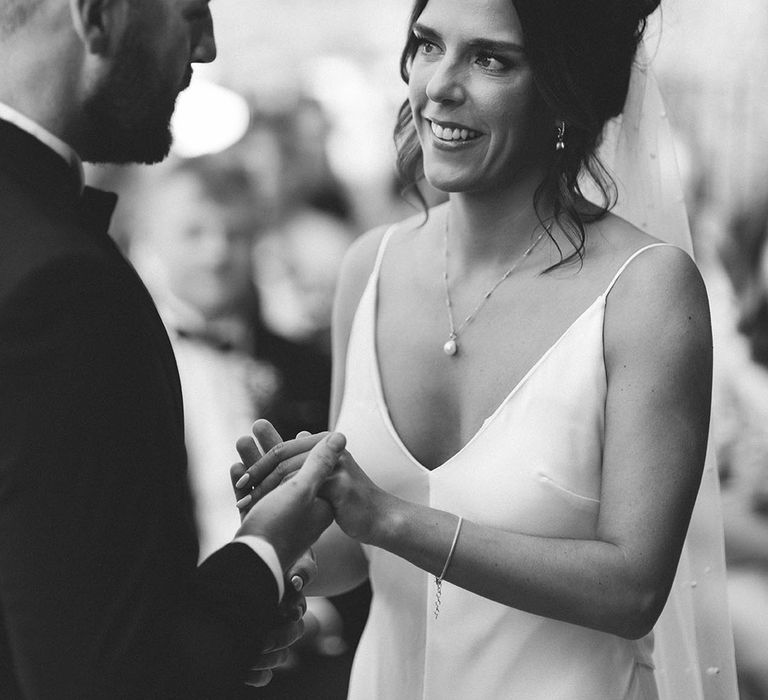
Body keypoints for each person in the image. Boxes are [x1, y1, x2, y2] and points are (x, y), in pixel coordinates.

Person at [234, 0, 737, 698]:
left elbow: (632, 589)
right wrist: (286, 542)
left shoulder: (646, 290)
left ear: (562, 88)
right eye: (428, 44)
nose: (439, 84)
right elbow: (354, 554)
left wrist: (391, 516)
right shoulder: (368, 268)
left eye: (490, 58)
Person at [0, 1, 343, 697]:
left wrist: (221, 628)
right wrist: (266, 550)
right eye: (189, 12)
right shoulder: (60, 284)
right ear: (97, 18)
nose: (209, 46)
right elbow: (106, 679)